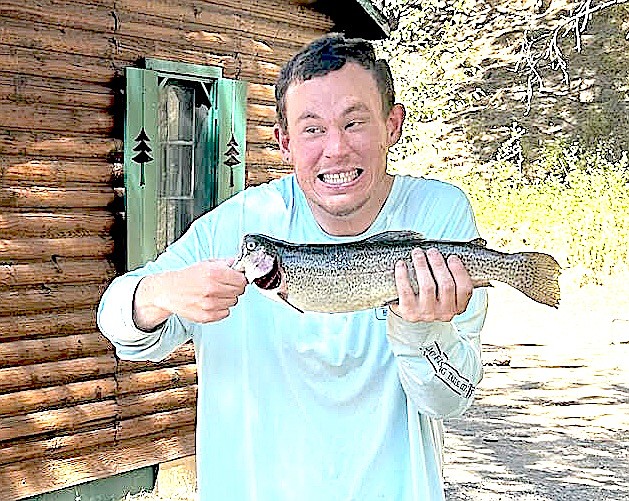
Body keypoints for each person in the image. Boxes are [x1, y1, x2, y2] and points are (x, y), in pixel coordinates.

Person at [98, 33, 487, 501]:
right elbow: (118, 326)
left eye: (355, 122)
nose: (336, 148)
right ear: (284, 142)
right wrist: (160, 293)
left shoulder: (435, 217)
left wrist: (422, 331)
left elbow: (450, 400)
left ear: (393, 124)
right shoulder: (235, 226)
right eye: (312, 128)